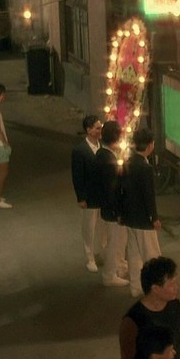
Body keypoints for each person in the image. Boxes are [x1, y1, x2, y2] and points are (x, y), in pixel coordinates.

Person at [121, 128, 163, 297]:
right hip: (143, 219)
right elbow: (148, 196)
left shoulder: (127, 162)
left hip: (130, 217)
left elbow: (120, 190)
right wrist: (154, 218)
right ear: (150, 145)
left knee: (133, 254)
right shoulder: (145, 168)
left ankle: (136, 287)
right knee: (152, 255)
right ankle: (157, 289)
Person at [94, 120, 130, 287]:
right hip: (113, 210)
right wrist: (119, 211)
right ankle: (110, 275)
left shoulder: (101, 154)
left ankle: (118, 267)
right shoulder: (109, 160)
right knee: (114, 243)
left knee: (115, 241)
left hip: (106, 208)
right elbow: (113, 190)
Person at [72, 115, 106, 273]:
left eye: (101, 128)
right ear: (89, 130)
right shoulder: (79, 151)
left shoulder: (102, 147)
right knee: (89, 228)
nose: (100, 131)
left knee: (103, 228)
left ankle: (103, 253)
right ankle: (90, 258)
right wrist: (81, 197)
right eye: (97, 128)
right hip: (89, 196)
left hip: (102, 196)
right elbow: (77, 176)